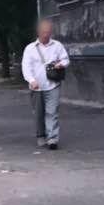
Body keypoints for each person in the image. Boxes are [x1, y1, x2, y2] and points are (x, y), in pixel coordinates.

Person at [21, 18, 71, 150]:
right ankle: (41, 135)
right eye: (44, 32)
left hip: (53, 85)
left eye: (48, 32)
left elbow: (66, 59)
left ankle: (52, 138)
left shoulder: (57, 46)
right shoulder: (30, 49)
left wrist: (61, 64)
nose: (46, 34)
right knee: (38, 113)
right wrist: (31, 80)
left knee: (52, 112)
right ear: (38, 32)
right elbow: (26, 67)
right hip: (36, 86)